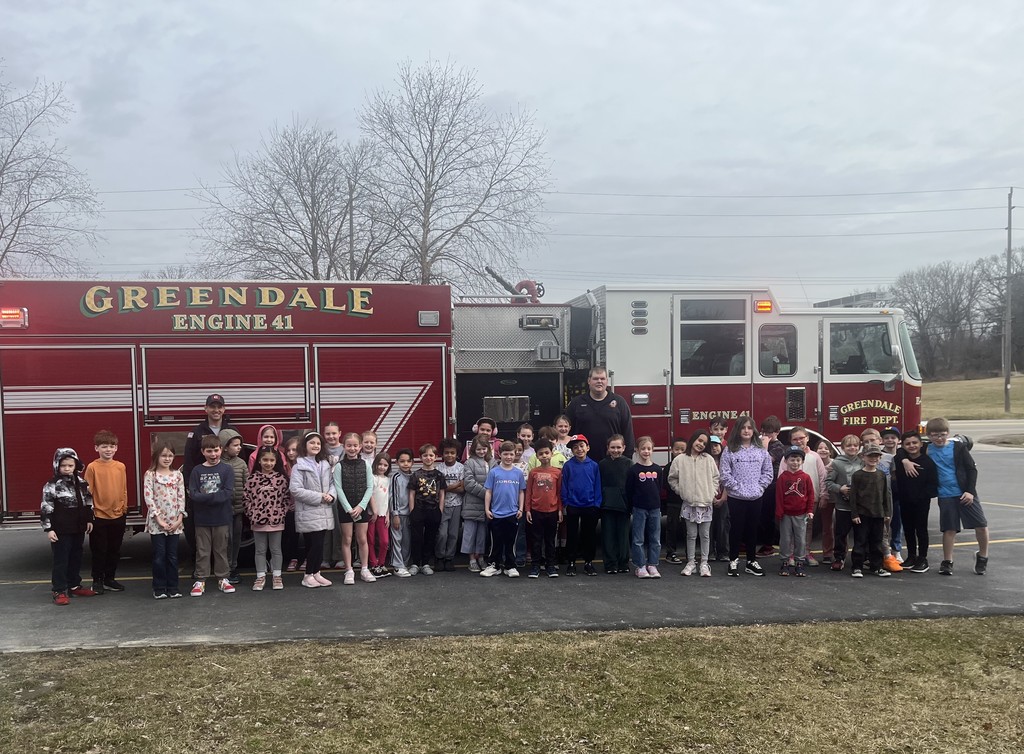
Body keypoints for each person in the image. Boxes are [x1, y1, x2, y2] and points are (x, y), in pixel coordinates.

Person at [921, 417, 990, 576]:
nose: (939, 438)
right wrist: (905, 460)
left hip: (965, 493)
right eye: (935, 435)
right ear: (928, 436)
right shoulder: (927, 449)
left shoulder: (958, 447)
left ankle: (983, 556)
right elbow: (905, 450)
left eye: (943, 434)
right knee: (949, 529)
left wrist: (970, 491)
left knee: (981, 525)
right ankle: (947, 561)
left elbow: (971, 469)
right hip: (945, 495)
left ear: (948, 433)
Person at [182, 393, 235, 567]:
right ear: (206, 409)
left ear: (224, 409)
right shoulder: (197, 432)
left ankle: (225, 570)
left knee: (223, 535)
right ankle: (199, 568)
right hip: (201, 491)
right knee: (198, 532)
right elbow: (189, 460)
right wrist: (189, 487)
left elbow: (238, 456)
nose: (216, 410)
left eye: (219, 407)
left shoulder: (231, 430)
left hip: (223, 490)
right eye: (212, 407)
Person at [719, 416, 774, 577]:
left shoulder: (761, 450)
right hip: (736, 497)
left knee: (752, 529)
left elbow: (768, 472)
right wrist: (736, 488)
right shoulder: (730, 450)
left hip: (756, 497)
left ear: (754, 430)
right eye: (743, 427)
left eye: (749, 428)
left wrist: (760, 487)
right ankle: (733, 560)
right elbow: (725, 474)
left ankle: (751, 561)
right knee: (736, 529)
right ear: (737, 430)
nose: (746, 431)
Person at [41, 448, 97, 605]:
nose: (67, 469)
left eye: (70, 465)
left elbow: (88, 502)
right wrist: (49, 529)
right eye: (63, 465)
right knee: (61, 559)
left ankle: (74, 585)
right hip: (61, 530)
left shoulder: (81, 483)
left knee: (76, 557)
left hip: (78, 528)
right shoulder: (52, 485)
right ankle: (59, 590)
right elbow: (46, 507)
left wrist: (89, 520)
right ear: (56, 465)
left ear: (76, 466)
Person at [188, 434, 236, 596]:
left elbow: (227, 493)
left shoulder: (227, 470)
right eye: (209, 451)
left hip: (222, 518)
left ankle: (223, 578)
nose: (213, 454)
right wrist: (213, 497)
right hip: (202, 520)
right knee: (202, 550)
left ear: (221, 450)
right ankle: (200, 579)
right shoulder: (197, 470)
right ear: (203, 452)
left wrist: (205, 498)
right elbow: (193, 493)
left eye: (216, 450)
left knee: (221, 550)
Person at [668, 430, 719, 577]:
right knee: (691, 535)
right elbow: (672, 478)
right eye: (699, 440)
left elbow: (716, 478)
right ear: (693, 439)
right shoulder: (680, 460)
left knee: (705, 535)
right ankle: (691, 563)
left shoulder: (708, 459)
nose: (701, 444)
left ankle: (704, 563)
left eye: (704, 443)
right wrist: (682, 491)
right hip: (689, 503)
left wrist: (712, 492)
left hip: (705, 503)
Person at [290, 430, 335, 589]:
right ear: (305, 445)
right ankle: (307, 575)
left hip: (324, 511)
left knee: (319, 544)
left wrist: (331, 495)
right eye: (312, 443)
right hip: (309, 512)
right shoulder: (299, 466)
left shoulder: (324, 464)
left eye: (318, 443)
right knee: (314, 544)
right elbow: (295, 490)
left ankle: (316, 572)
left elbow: (332, 484)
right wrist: (320, 496)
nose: (315, 445)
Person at [84, 429, 128, 594]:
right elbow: (87, 493)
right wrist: (90, 515)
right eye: (104, 446)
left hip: (118, 515)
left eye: (111, 446)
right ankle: (97, 580)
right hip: (99, 516)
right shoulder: (92, 467)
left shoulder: (120, 466)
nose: (108, 449)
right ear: (96, 448)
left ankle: (110, 579)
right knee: (99, 551)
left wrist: (123, 508)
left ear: (116, 448)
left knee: (114, 550)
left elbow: (123, 489)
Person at [244, 447, 290, 591]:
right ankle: (260, 576)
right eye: (265, 460)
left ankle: (277, 576)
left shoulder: (281, 479)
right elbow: (246, 498)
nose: (268, 463)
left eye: (271, 460)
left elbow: (286, 499)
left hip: (276, 521)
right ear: (259, 460)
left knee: (276, 549)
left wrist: (281, 513)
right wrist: (252, 513)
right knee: (260, 550)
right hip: (258, 521)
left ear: (276, 462)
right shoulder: (252, 479)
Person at [565, 367, 635, 461]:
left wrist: (627, 459)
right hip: (583, 461)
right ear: (589, 381)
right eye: (595, 378)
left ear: (607, 381)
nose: (599, 381)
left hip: (612, 461)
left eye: (602, 378)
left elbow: (628, 432)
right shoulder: (576, 403)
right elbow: (567, 433)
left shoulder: (619, 402)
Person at [144, 443, 186, 599]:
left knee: (172, 556)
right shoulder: (151, 474)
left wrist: (179, 519)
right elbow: (148, 498)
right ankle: (159, 587)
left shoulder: (178, 475)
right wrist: (159, 520)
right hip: (157, 523)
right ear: (156, 456)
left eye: (170, 456)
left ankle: (173, 587)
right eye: (163, 455)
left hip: (174, 521)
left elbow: (181, 497)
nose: (167, 459)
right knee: (159, 556)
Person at [333, 432, 375, 585]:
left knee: (362, 539)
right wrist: (348, 508)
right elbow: (338, 488)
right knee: (347, 539)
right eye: (349, 445)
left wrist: (361, 506)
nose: (352, 448)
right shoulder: (339, 466)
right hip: (346, 509)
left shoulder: (366, 465)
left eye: (355, 445)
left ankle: (364, 569)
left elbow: (370, 487)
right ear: (344, 447)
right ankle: (349, 570)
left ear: (360, 447)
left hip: (361, 508)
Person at [779, 426, 825, 566]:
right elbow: (781, 478)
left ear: (808, 438)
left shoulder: (815, 457)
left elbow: (822, 477)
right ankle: (791, 554)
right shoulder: (786, 458)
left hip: (811, 500)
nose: (799, 441)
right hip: (790, 502)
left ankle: (806, 552)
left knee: (807, 528)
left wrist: (823, 495)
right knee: (790, 530)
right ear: (791, 441)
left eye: (801, 438)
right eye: (795, 439)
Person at [893, 430, 938, 573]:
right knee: (908, 529)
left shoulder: (928, 462)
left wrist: (923, 496)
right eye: (908, 444)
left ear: (921, 444)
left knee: (921, 530)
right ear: (903, 445)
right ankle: (911, 556)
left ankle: (923, 558)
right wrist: (905, 461)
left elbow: (933, 484)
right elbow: (898, 452)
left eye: (914, 443)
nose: (911, 446)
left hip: (921, 502)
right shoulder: (900, 459)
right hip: (905, 500)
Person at [480, 441, 526, 577]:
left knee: (511, 542)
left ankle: (510, 566)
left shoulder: (518, 473)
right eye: (505, 454)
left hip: (513, 513)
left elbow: (521, 492)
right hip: (496, 514)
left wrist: (521, 509)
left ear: (515, 454)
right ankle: (494, 565)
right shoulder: (494, 472)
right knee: (496, 541)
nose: (508, 457)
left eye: (511, 454)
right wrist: (487, 509)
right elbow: (488, 492)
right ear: (500, 455)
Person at [859, 427, 902, 573]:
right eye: (866, 442)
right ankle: (879, 556)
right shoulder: (862, 458)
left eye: (872, 440)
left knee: (885, 529)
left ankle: (884, 556)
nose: (869, 443)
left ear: (879, 441)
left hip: (885, 498)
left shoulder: (889, 458)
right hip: (867, 501)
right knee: (872, 531)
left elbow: (894, 479)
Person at [560, 434, 602, 576]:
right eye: (575, 447)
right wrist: (566, 502)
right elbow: (564, 485)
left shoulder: (594, 466)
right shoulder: (568, 466)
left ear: (588, 447)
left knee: (589, 535)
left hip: (590, 505)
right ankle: (571, 562)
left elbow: (597, 485)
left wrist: (597, 503)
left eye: (581, 446)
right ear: (572, 450)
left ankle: (588, 562)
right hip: (573, 505)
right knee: (572, 535)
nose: (579, 449)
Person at [849, 444, 892, 578]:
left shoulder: (881, 475)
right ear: (863, 457)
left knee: (877, 542)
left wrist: (886, 512)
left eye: (876, 456)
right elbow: (853, 496)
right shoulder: (857, 475)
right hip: (862, 514)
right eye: (870, 456)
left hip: (878, 514)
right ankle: (857, 566)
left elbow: (885, 495)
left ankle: (877, 566)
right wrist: (854, 514)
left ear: (880, 458)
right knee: (860, 541)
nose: (873, 459)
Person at [626, 436, 663, 579]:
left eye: (649, 449)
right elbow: (629, 489)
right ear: (637, 450)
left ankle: (652, 564)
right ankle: (640, 565)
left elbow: (659, 488)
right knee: (638, 538)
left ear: (653, 450)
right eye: (643, 449)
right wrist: (631, 506)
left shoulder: (657, 469)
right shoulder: (633, 470)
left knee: (655, 538)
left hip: (654, 508)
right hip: (639, 508)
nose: (646, 451)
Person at [775, 446, 815, 577]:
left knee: (801, 540)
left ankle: (799, 563)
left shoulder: (806, 477)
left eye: (798, 460)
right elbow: (779, 496)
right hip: (786, 514)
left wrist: (809, 510)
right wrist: (779, 512)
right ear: (786, 461)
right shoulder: (782, 477)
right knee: (785, 539)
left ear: (802, 461)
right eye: (792, 460)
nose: (795, 463)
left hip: (801, 514)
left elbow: (810, 495)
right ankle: (785, 562)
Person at [525, 438, 562, 578]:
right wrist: (528, 509)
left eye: (547, 453)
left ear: (551, 453)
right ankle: (535, 565)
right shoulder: (533, 472)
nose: (544, 456)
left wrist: (560, 510)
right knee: (536, 539)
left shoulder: (557, 473)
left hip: (552, 511)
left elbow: (559, 493)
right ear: (537, 456)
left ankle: (550, 565)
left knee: (550, 540)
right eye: (541, 454)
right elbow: (529, 492)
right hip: (536, 511)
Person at [408, 443, 447, 575]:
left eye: (431, 455)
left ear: (436, 457)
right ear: (420, 457)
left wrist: (440, 510)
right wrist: (412, 511)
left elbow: (442, 494)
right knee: (416, 538)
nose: (428, 458)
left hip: (434, 510)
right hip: (418, 510)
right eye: (425, 455)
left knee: (430, 538)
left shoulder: (439, 475)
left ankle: (425, 563)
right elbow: (411, 493)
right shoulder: (416, 475)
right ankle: (415, 563)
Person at [825, 434, 862, 571]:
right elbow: (828, 482)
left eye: (855, 445)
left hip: (860, 507)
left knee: (860, 534)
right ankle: (839, 557)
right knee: (841, 534)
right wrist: (839, 488)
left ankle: (859, 559)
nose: (852, 448)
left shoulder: (862, 462)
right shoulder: (837, 463)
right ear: (842, 447)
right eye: (849, 445)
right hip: (843, 506)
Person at [218, 428, 249, 585]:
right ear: (224, 447)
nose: (239, 448)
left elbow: (247, 483)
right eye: (235, 445)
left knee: (236, 539)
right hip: (222, 510)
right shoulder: (218, 464)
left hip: (238, 509)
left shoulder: (241, 463)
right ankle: (224, 569)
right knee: (225, 540)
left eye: (239, 445)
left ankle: (233, 568)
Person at [598, 434, 631, 575]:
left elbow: (632, 486)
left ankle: (623, 563)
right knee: (608, 536)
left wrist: (630, 503)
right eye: (612, 447)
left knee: (623, 536)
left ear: (624, 448)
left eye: (618, 447)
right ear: (607, 448)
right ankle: (610, 564)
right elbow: (599, 484)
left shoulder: (629, 464)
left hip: (623, 505)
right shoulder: (602, 464)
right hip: (607, 504)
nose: (615, 450)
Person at [461, 435, 494, 572]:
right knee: (470, 533)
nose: (481, 451)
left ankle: (480, 557)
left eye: (484, 448)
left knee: (482, 534)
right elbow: (469, 484)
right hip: (471, 504)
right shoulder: (469, 463)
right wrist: (487, 494)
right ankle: (471, 559)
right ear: (473, 449)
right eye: (478, 449)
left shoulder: (492, 462)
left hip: (486, 506)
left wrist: (491, 496)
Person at [436, 438, 465, 572]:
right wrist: (454, 485)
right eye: (446, 452)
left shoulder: (461, 468)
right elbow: (438, 489)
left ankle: (449, 558)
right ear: (442, 454)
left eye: (452, 453)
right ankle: (439, 557)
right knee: (442, 534)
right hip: (442, 505)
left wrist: (446, 488)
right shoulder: (438, 468)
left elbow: (462, 489)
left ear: (457, 453)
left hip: (456, 505)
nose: (449, 455)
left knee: (453, 534)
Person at [388, 448, 415, 578]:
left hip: (410, 515)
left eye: (408, 461)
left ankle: (404, 563)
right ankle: (397, 566)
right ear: (397, 462)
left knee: (407, 541)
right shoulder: (395, 477)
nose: (405, 464)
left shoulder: (414, 476)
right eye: (402, 461)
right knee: (397, 540)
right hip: (398, 515)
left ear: (412, 462)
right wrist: (395, 514)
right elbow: (393, 497)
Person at [322, 421, 345, 570]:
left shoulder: (345, 449)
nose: (331, 436)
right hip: (324, 492)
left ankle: (339, 557)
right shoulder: (321, 449)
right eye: (328, 433)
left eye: (334, 433)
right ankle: (324, 558)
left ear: (339, 433)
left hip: (341, 492)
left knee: (339, 526)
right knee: (324, 526)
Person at [662, 438, 687, 565]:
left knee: (688, 529)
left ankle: (690, 554)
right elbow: (666, 484)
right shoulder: (668, 467)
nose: (679, 452)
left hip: (687, 502)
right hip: (673, 502)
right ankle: (670, 553)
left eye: (683, 450)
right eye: (677, 449)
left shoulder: (689, 466)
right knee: (672, 528)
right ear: (672, 450)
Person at [880, 426, 904, 562]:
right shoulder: (879, 455)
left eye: (893, 437)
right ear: (882, 440)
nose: (890, 440)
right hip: (882, 495)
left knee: (897, 523)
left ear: (898, 440)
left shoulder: (902, 455)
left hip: (898, 494)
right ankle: (884, 551)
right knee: (883, 526)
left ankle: (896, 550)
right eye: (886, 438)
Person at [368, 453, 392, 578]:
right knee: (370, 540)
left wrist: (388, 514)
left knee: (384, 541)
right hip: (371, 515)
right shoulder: (372, 478)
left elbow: (388, 499)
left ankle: (381, 563)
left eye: (385, 465)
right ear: (375, 464)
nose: (382, 467)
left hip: (383, 515)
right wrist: (374, 511)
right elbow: (370, 494)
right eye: (380, 464)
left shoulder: (388, 480)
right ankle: (373, 564)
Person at [282, 435, 304, 572]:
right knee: (292, 533)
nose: (291, 453)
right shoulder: (285, 467)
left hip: (304, 505)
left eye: (294, 450)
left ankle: (306, 558)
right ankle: (293, 558)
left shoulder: (304, 466)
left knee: (307, 533)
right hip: (289, 506)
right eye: (288, 450)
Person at [707, 435, 729, 561]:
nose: (714, 448)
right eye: (711, 446)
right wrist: (712, 498)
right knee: (708, 526)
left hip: (723, 497)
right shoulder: (705, 462)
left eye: (716, 445)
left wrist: (723, 498)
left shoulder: (725, 462)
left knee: (723, 525)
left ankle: (723, 552)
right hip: (708, 498)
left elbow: (728, 481)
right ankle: (710, 552)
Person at [814, 439, 835, 564]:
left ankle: (833, 554)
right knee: (822, 527)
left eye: (826, 448)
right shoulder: (812, 463)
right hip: (817, 498)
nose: (823, 450)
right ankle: (826, 553)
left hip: (832, 499)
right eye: (820, 448)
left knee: (833, 527)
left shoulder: (835, 464)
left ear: (831, 451)